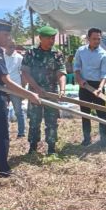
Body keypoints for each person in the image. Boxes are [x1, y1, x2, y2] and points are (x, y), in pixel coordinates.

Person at [0, 18, 40, 178]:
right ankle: (3, 169)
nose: (8, 38)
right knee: (1, 132)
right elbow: (6, 80)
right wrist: (29, 94)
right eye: (5, 34)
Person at [22, 26, 66, 155]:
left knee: (51, 121)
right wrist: (37, 88)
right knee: (35, 120)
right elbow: (25, 72)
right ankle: (33, 146)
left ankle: (51, 147)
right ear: (40, 38)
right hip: (35, 93)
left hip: (51, 92)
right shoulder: (31, 53)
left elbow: (61, 73)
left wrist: (62, 89)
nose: (51, 41)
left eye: (53, 38)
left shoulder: (57, 54)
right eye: (48, 38)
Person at [74, 28, 106, 146]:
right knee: (85, 113)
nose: (97, 41)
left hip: (97, 85)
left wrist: (100, 87)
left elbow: (105, 74)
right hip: (84, 85)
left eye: (98, 39)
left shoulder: (103, 54)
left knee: (101, 114)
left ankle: (103, 139)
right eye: (94, 39)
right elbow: (77, 67)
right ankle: (87, 138)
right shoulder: (80, 51)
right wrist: (79, 79)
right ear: (88, 38)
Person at [4, 39, 26, 138]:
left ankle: (21, 132)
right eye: (10, 46)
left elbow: (23, 74)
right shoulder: (0, 57)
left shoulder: (19, 58)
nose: (12, 48)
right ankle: (5, 131)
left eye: (13, 46)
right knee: (4, 111)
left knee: (18, 110)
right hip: (3, 87)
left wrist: (23, 89)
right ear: (5, 46)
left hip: (16, 87)